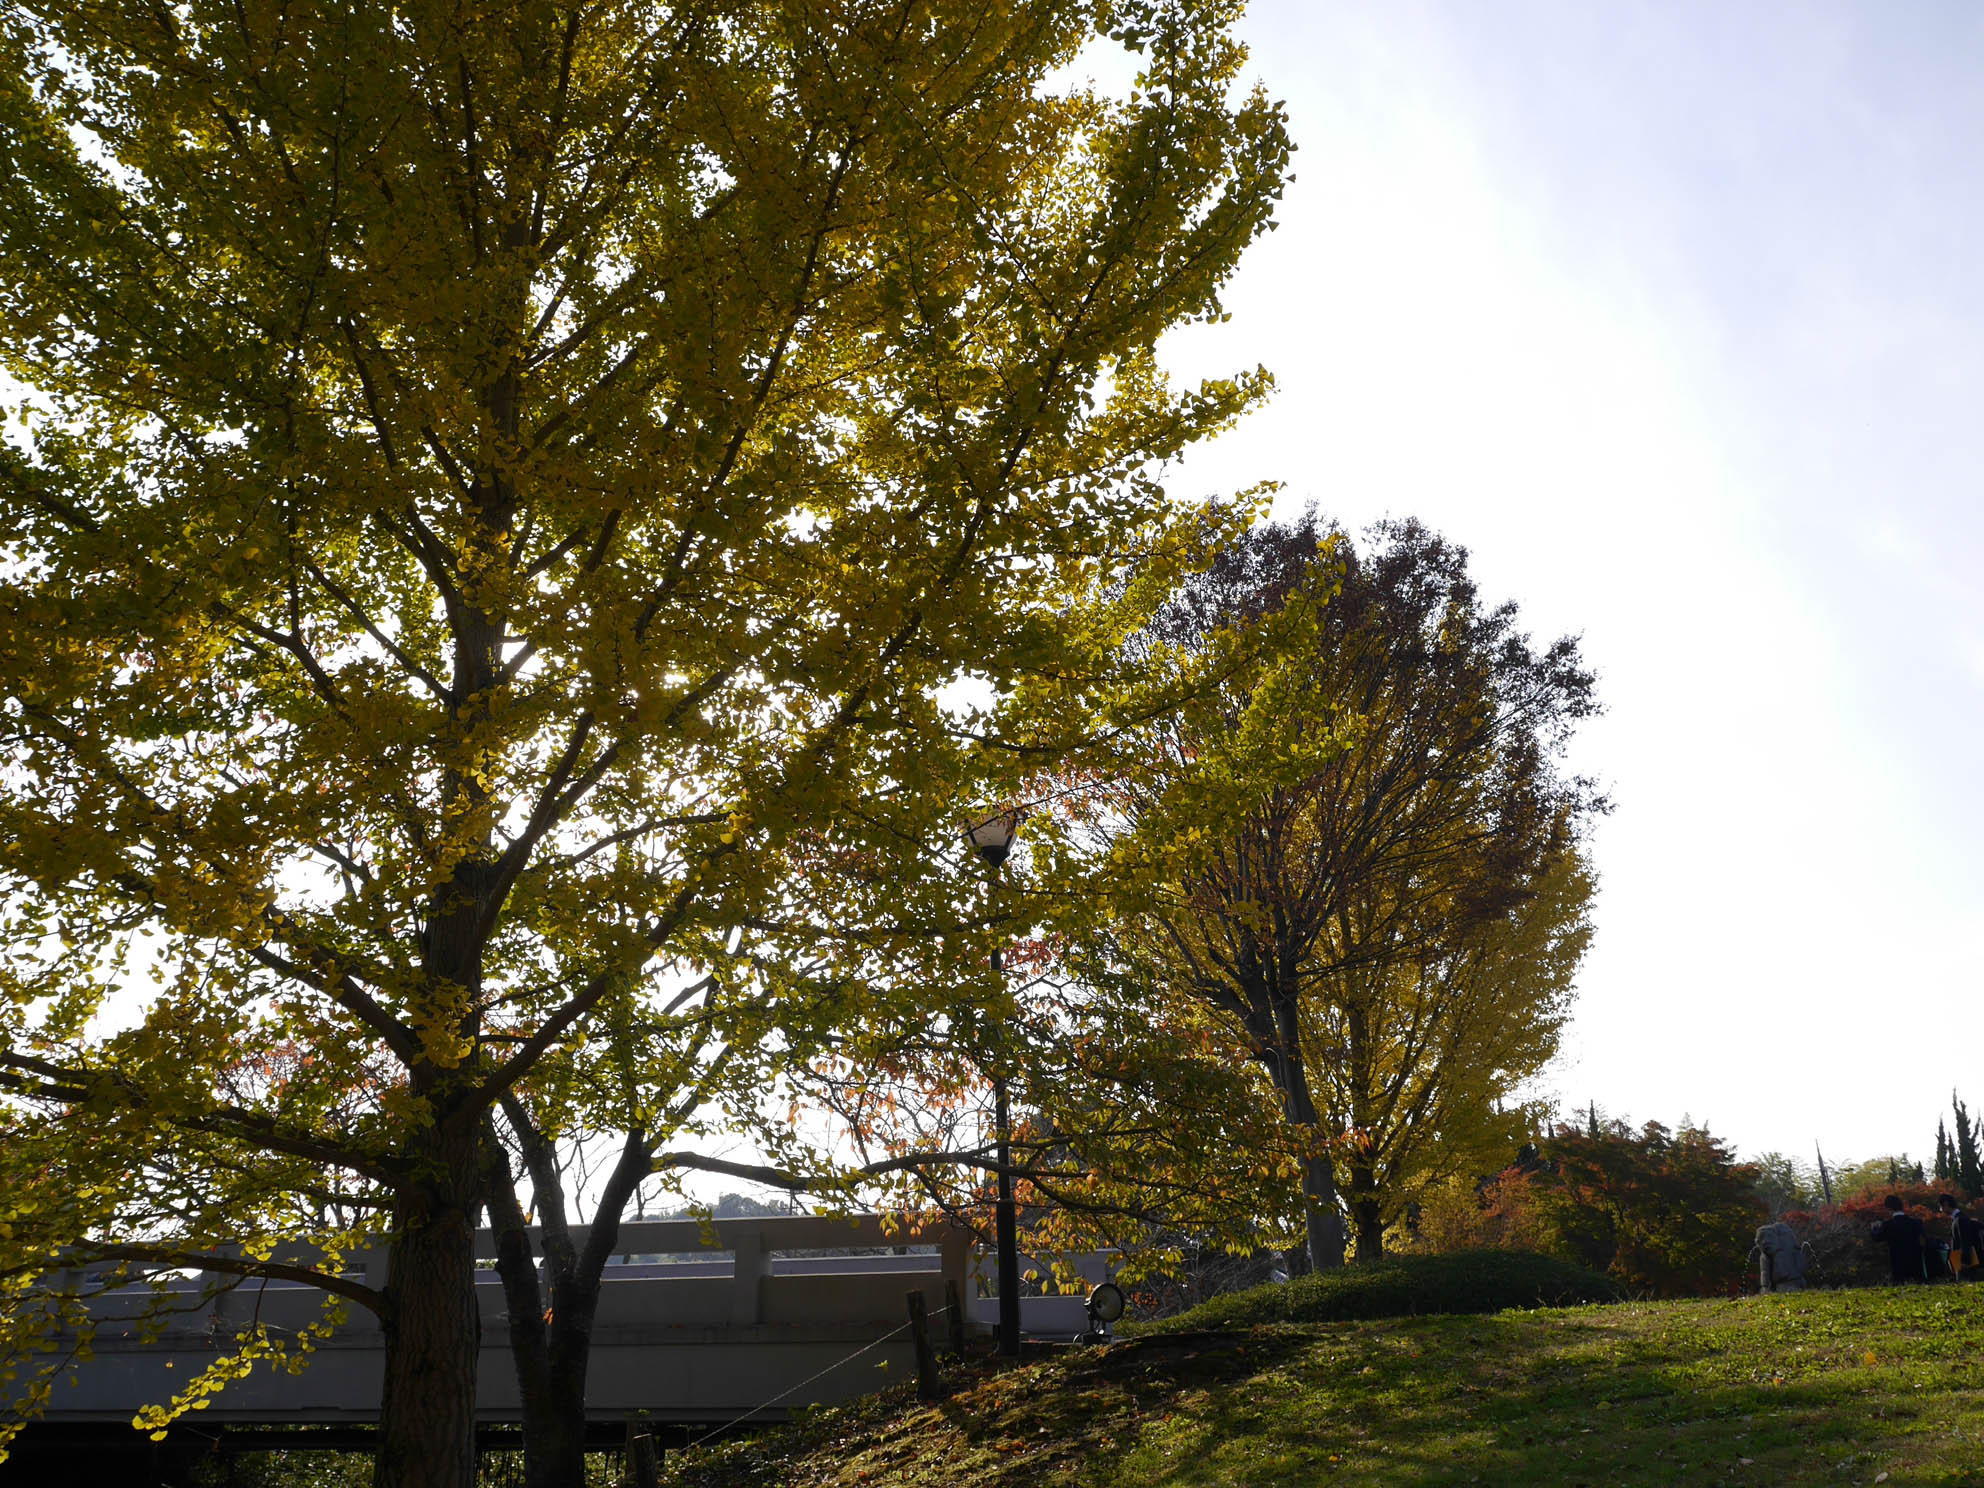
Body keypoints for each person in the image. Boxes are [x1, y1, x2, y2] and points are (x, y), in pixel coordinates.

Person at [1870, 1195, 1928, 1283]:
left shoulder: (1888, 1225)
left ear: (1888, 1208)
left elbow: (1877, 1238)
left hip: (1897, 1263)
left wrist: (1874, 1228)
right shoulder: (1916, 1222)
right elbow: (1924, 1239)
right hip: (1915, 1262)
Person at [1938, 1194, 1984, 1280]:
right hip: (1961, 1261)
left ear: (1946, 1204)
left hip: (1964, 1263)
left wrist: (1965, 1261)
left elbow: (1965, 1241)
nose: (1941, 1210)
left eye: (1941, 1207)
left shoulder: (1960, 1219)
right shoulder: (1960, 1218)